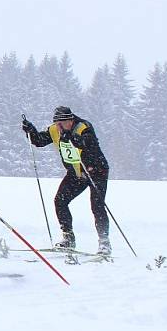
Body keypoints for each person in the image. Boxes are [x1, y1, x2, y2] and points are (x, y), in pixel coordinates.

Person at [22, 106, 110, 255]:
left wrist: (72, 137)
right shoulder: (54, 130)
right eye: (57, 124)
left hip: (96, 171)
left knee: (97, 206)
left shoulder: (83, 127)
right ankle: (68, 238)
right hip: (76, 173)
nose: (59, 127)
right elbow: (39, 141)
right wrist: (30, 131)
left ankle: (104, 243)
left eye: (63, 123)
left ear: (71, 120)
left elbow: (87, 144)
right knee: (60, 201)